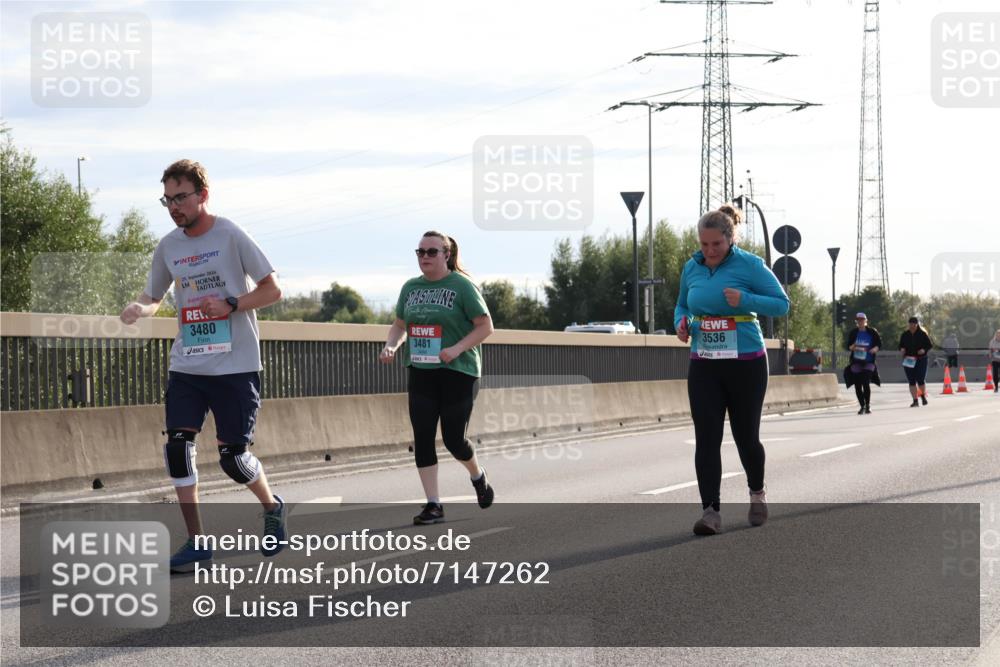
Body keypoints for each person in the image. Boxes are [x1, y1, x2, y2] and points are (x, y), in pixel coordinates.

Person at [120, 160, 286, 572]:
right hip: (188, 365)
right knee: (178, 449)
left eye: (181, 197)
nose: (174, 207)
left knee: (233, 459)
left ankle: (272, 506)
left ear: (203, 195)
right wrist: (140, 308)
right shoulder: (168, 246)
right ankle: (198, 543)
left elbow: (272, 290)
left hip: (235, 365)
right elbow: (154, 295)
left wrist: (231, 304)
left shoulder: (230, 234)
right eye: (167, 200)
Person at [674, 205, 790, 536]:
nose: (709, 251)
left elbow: (781, 304)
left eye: (716, 244)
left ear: (730, 239)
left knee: (745, 437)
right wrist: (681, 323)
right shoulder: (692, 267)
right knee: (706, 438)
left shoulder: (750, 265)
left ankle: (757, 493)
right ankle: (710, 512)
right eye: (704, 244)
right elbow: (682, 304)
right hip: (705, 362)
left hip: (746, 363)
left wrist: (746, 299)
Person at [379, 231, 495, 524]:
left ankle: (477, 476)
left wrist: (456, 349)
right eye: (420, 252)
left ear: (446, 254)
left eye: (432, 251)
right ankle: (433, 504)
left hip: (458, 371)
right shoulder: (410, 288)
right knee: (423, 436)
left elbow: (485, 326)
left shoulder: (462, 286)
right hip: (421, 370)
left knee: (454, 440)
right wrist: (392, 345)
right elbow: (400, 325)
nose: (425, 257)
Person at [846, 313, 882, 414]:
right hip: (856, 361)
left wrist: (874, 349)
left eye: (862, 320)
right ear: (856, 322)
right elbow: (849, 346)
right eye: (858, 320)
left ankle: (868, 405)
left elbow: (879, 344)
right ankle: (862, 406)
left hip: (869, 361)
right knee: (857, 384)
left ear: (866, 321)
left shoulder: (872, 332)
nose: (860, 322)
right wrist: (853, 347)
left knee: (865, 382)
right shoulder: (854, 332)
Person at [898, 316, 933, 407]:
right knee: (911, 381)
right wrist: (902, 349)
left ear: (917, 324)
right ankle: (915, 401)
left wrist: (923, 350)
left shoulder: (922, 334)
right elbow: (900, 345)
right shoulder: (905, 334)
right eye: (910, 324)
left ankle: (923, 396)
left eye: (914, 324)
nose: (912, 326)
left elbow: (929, 345)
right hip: (908, 359)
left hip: (921, 359)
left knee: (920, 379)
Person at [989, 329, 1000, 394]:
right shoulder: (992, 342)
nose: (999, 336)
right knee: (995, 374)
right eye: (998, 334)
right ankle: (996, 386)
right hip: (995, 360)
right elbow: (990, 350)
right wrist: (990, 356)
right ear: (996, 335)